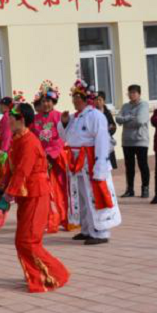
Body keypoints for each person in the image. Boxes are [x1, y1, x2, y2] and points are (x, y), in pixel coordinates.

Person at [0, 103, 70, 293]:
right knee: (25, 239)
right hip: (26, 196)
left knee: (27, 240)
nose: (9, 118)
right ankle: (36, 273)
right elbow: (12, 168)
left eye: (12, 115)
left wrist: (7, 196)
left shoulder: (29, 142)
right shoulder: (17, 139)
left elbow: (22, 171)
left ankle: (57, 274)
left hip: (36, 194)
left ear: (21, 119)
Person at [61, 81, 122, 245]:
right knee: (82, 197)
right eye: (73, 97)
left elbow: (102, 141)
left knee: (94, 196)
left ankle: (101, 232)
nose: (74, 101)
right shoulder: (75, 117)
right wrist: (65, 123)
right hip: (76, 162)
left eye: (77, 98)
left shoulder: (96, 116)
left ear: (85, 99)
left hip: (90, 159)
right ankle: (87, 229)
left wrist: (100, 166)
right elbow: (67, 138)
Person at [30, 81, 69, 234]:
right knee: (45, 192)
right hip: (41, 160)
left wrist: (51, 155)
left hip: (56, 159)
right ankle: (49, 220)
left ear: (54, 102)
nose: (46, 104)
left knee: (59, 190)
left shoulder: (60, 117)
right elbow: (32, 139)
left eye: (49, 101)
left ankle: (64, 218)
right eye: (43, 101)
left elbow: (62, 138)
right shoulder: (35, 119)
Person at [116, 85, 151, 198]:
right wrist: (129, 118)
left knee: (143, 165)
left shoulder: (144, 105)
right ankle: (130, 189)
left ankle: (145, 188)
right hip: (127, 141)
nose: (132, 95)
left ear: (139, 94)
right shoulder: (125, 106)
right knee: (129, 166)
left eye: (134, 92)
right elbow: (118, 119)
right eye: (130, 93)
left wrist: (126, 121)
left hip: (140, 140)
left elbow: (140, 121)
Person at [95, 92, 118, 170]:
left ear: (104, 101)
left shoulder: (107, 112)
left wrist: (110, 129)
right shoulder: (93, 112)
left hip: (107, 141)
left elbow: (113, 126)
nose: (98, 102)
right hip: (96, 142)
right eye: (96, 100)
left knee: (108, 167)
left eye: (100, 100)